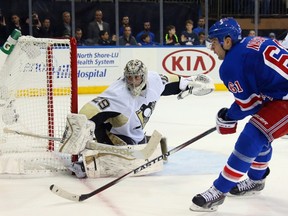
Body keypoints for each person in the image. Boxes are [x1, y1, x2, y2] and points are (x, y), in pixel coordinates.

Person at [190, 17, 288, 212]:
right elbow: (258, 99)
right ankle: (256, 181)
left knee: (253, 134)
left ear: (227, 41)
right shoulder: (251, 43)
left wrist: (227, 116)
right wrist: (230, 116)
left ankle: (219, 191)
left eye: (214, 42)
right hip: (279, 94)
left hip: (283, 98)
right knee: (261, 132)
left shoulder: (231, 65)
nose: (212, 48)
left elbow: (248, 105)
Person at [59, 59, 215, 178]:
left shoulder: (155, 80)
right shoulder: (118, 94)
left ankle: (138, 143)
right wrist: (78, 129)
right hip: (112, 131)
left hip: (133, 131)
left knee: (142, 154)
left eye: (137, 77)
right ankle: (86, 162)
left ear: (144, 76)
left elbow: (176, 82)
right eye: (129, 78)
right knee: (129, 160)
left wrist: (190, 83)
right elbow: (90, 110)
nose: (133, 82)